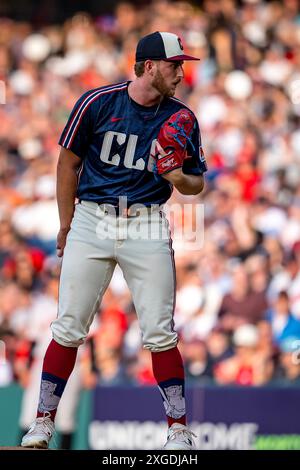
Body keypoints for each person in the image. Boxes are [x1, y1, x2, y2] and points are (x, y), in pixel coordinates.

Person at [21, 31, 207, 450]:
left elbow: (195, 184)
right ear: (148, 65)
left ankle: (177, 428)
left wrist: (177, 177)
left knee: (161, 331)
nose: (181, 73)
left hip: (146, 221)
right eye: (175, 64)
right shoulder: (98, 102)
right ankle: (43, 422)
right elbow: (67, 163)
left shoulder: (182, 117)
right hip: (93, 215)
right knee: (68, 325)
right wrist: (66, 224)